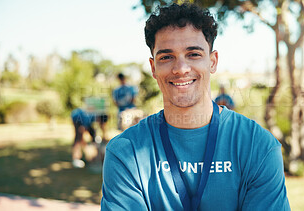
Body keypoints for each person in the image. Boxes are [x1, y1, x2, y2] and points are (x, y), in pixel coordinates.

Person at [101, 3, 290, 211]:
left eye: (193, 54)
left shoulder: (257, 146)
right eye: (166, 57)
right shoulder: (127, 152)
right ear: (154, 67)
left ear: (213, 61)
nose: (181, 68)